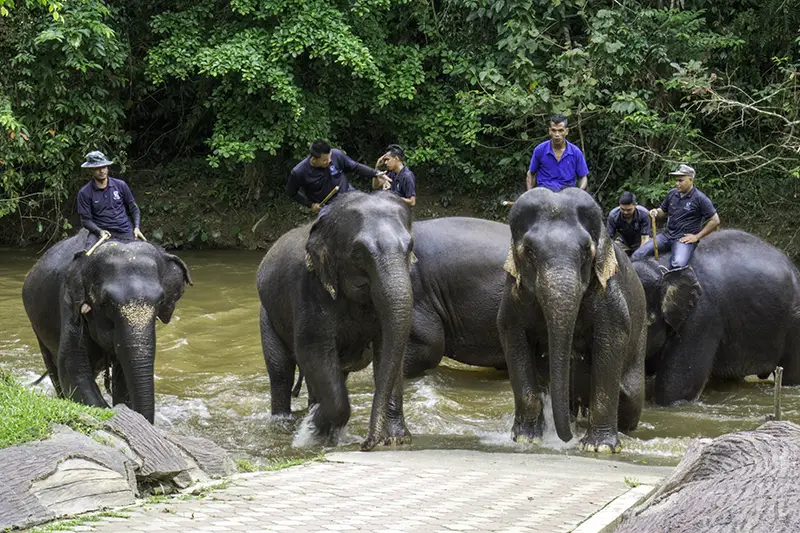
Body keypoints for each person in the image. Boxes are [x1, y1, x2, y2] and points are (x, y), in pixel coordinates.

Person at [632, 164, 721, 269]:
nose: (677, 183)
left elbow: (715, 220)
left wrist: (696, 237)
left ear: (690, 179)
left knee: (678, 264)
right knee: (637, 255)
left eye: (680, 180)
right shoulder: (672, 194)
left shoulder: (700, 198)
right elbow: (663, 211)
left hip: (683, 239)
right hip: (667, 235)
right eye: (676, 180)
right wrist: (655, 212)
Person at [286, 139, 387, 213]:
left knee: (372, 208)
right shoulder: (299, 172)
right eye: (325, 160)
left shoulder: (336, 155)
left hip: (349, 194)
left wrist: (375, 173)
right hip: (328, 207)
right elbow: (291, 192)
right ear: (314, 159)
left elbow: (355, 167)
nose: (329, 161)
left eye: (329, 157)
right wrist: (310, 204)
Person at [77, 150, 145, 250]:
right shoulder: (84, 193)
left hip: (124, 230)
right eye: (97, 168)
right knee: (85, 257)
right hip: (100, 232)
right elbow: (86, 220)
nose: (102, 171)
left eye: (104, 167)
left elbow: (134, 208)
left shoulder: (120, 185)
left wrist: (137, 227)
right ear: (91, 169)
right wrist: (99, 231)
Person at [526, 114, 589, 192]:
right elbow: (531, 173)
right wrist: (529, 194)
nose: (557, 134)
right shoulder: (540, 150)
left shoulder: (575, 152)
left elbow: (583, 177)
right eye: (553, 130)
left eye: (560, 130)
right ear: (549, 131)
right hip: (544, 193)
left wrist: (580, 192)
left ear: (567, 131)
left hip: (567, 193)